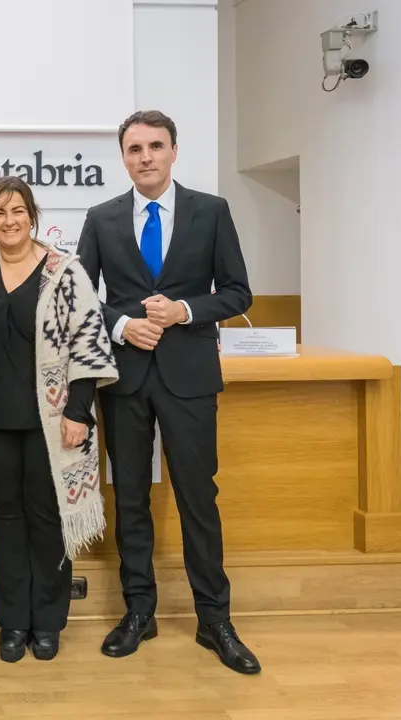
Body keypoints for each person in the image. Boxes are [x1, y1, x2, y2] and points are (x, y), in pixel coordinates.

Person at [76, 110, 261, 674]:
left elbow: (238, 292)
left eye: (156, 146)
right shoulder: (102, 217)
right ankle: (140, 612)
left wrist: (184, 310)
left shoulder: (211, 211)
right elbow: (82, 297)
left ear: (175, 151)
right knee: (129, 496)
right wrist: (121, 325)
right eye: (135, 149)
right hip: (125, 377)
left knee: (197, 498)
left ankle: (215, 620)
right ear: (124, 157)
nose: (146, 157)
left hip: (189, 377)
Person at [0, 176, 118, 663]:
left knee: (48, 522)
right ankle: (13, 624)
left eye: (18, 211)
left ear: (34, 215)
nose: (9, 222)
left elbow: (89, 346)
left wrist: (78, 412)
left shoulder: (64, 272)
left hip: (50, 425)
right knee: (5, 523)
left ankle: (48, 624)